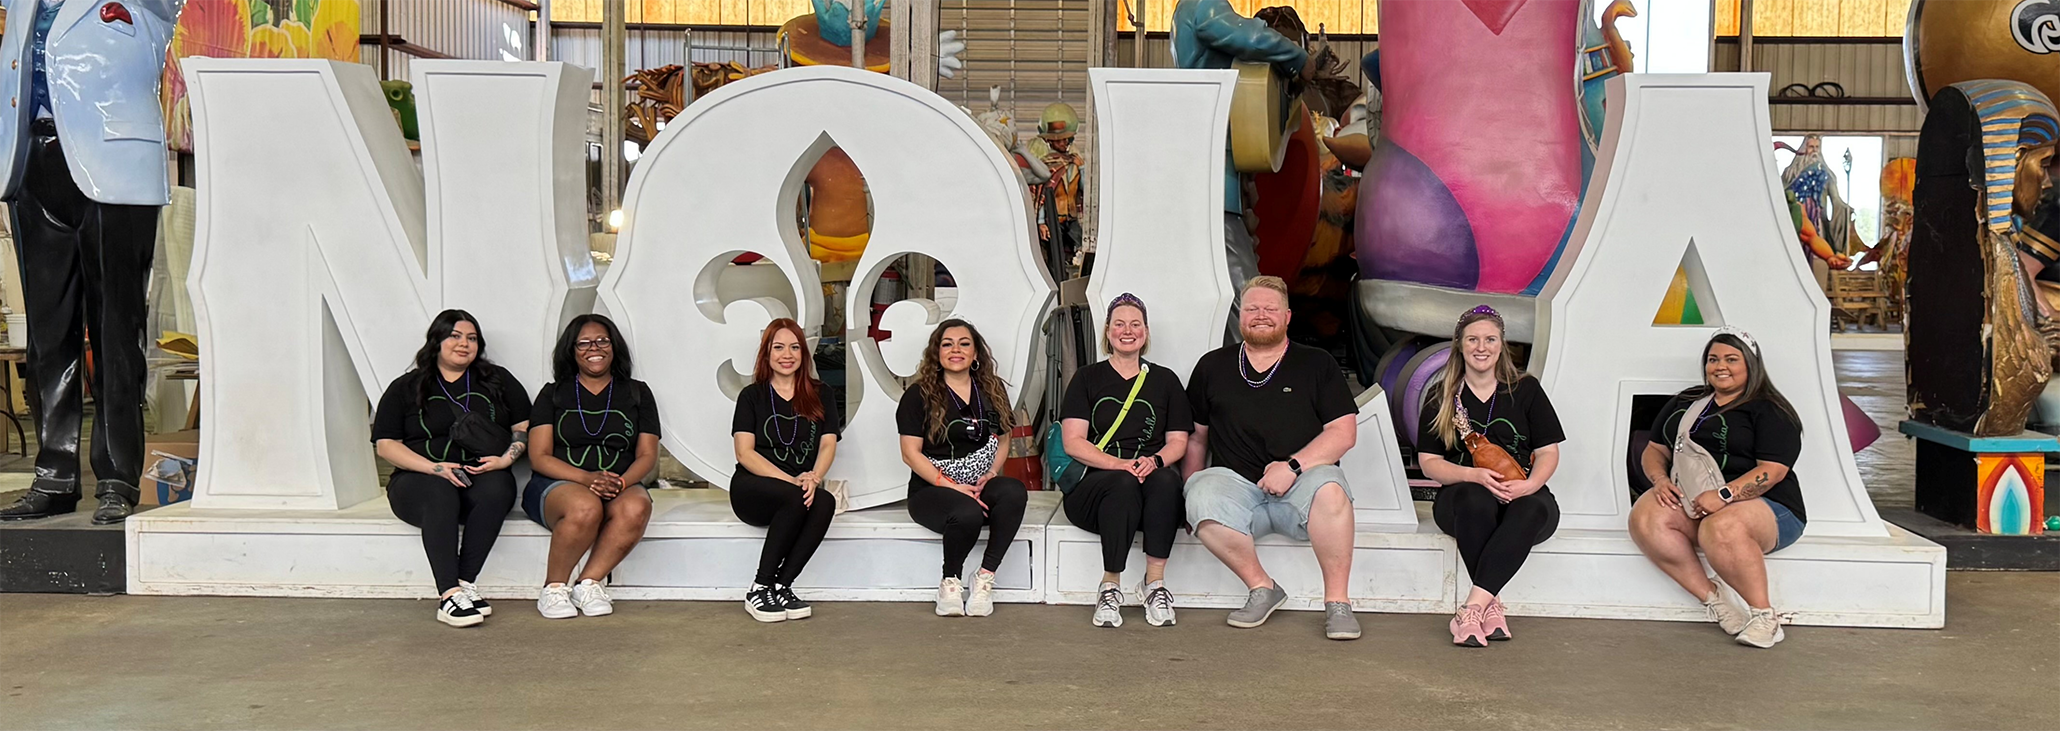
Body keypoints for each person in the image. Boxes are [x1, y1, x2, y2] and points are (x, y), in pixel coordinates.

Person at [0, 0, 186, 524]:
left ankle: (118, 476)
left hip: (116, 161)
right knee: (47, 335)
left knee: (115, 333)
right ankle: (54, 475)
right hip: (30, 159)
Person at [1183, 276, 1361, 640]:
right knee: (1199, 492)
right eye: (1252, 309)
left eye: (1270, 309)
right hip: (1239, 493)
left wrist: (1292, 466)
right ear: (1240, 316)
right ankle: (1262, 587)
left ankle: (1338, 603)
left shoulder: (1317, 363)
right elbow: (1196, 438)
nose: (1261, 315)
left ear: (1287, 316)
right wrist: (1188, 497)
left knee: (1331, 489)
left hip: (1301, 486)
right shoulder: (1212, 367)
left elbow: (1343, 433)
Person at [1629, 328, 1807, 649]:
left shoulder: (1769, 409)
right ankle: (1716, 601)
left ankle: (1764, 617)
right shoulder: (1687, 401)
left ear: (1751, 365)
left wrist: (1725, 496)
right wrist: (1661, 480)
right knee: (1644, 516)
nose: (1720, 366)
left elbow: (1774, 471)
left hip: (1773, 510)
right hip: (1699, 502)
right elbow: (1655, 449)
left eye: (1731, 359)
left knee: (1722, 524)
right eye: (1713, 359)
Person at [371, 311, 531, 627]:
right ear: (437, 340)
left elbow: (523, 426)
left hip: (478, 475)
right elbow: (386, 444)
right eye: (455, 336)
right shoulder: (406, 386)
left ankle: (465, 584)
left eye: (472, 338)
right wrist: (433, 468)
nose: (464, 344)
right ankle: (448, 595)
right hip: (418, 481)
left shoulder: (497, 380)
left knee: (500, 487)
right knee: (440, 490)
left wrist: (506, 459)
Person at [1415, 306, 1563, 647]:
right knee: (1473, 497)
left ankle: (1472, 609)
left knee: (1531, 507)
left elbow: (1548, 452)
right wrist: (1473, 474)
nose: (1481, 347)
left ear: (1501, 344)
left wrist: (1530, 484)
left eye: (1490, 339)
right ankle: (1490, 607)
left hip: (1522, 491)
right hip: (1462, 501)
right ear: (1460, 345)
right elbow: (1429, 462)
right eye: (1473, 339)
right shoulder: (1442, 397)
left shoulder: (1526, 390)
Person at [1059, 294, 1192, 628]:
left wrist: (1156, 460)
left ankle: (1155, 584)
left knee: (1166, 480)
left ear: (1146, 332)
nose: (1127, 331)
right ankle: (1110, 586)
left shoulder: (1165, 381)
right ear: (1107, 331)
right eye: (1119, 324)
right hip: (1094, 489)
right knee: (1122, 481)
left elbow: (1178, 441)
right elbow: (1073, 442)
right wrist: (1118, 465)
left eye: (1135, 324)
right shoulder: (1087, 378)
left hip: (1150, 491)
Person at [521, 314, 661, 620]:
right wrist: (587, 479)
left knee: (636, 506)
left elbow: (648, 455)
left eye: (602, 340)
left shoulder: (638, 392)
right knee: (585, 506)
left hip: (619, 482)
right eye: (583, 343)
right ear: (571, 351)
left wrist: (622, 484)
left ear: (614, 347)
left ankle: (588, 582)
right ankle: (554, 588)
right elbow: (540, 456)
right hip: (558, 484)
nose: (593, 348)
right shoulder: (553, 393)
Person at [897, 319, 1030, 617]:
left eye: (964, 344)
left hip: (978, 484)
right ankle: (951, 582)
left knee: (1013, 491)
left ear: (976, 354)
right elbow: (910, 454)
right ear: (936, 353)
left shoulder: (991, 391)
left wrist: (991, 473)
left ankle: (984, 577)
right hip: (933, 490)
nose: (956, 349)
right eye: (947, 344)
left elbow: (1004, 439)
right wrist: (952, 486)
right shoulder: (918, 396)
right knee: (966, 511)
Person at [731, 319, 841, 623]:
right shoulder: (751, 396)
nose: (787, 354)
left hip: (799, 487)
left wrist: (814, 476)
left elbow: (828, 444)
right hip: (753, 488)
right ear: (766, 354)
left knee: (825, 501)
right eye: (778, 347)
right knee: (796, 497)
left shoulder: (822, 394)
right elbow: (744, 452)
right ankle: (759, 587)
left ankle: (781, 586)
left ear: (804, 354)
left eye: (794, 347)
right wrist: (792, 480)